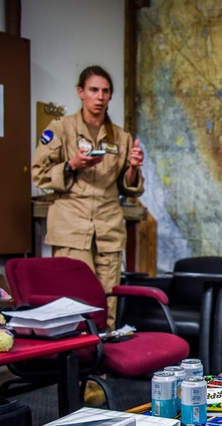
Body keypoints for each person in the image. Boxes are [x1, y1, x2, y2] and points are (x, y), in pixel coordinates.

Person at [32, 65, 144, 330]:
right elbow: (39, 174)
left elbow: (128, 187)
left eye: (105, 91)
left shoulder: (121, 137)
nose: (100, 96)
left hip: (108, 224)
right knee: (74, 299)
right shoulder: (61, 129)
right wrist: (71, 165)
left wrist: (134, 168)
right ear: (81, 92)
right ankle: (76, 367)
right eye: (93, 90)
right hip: (71, 222)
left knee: (108, 300)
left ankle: (102, 366)